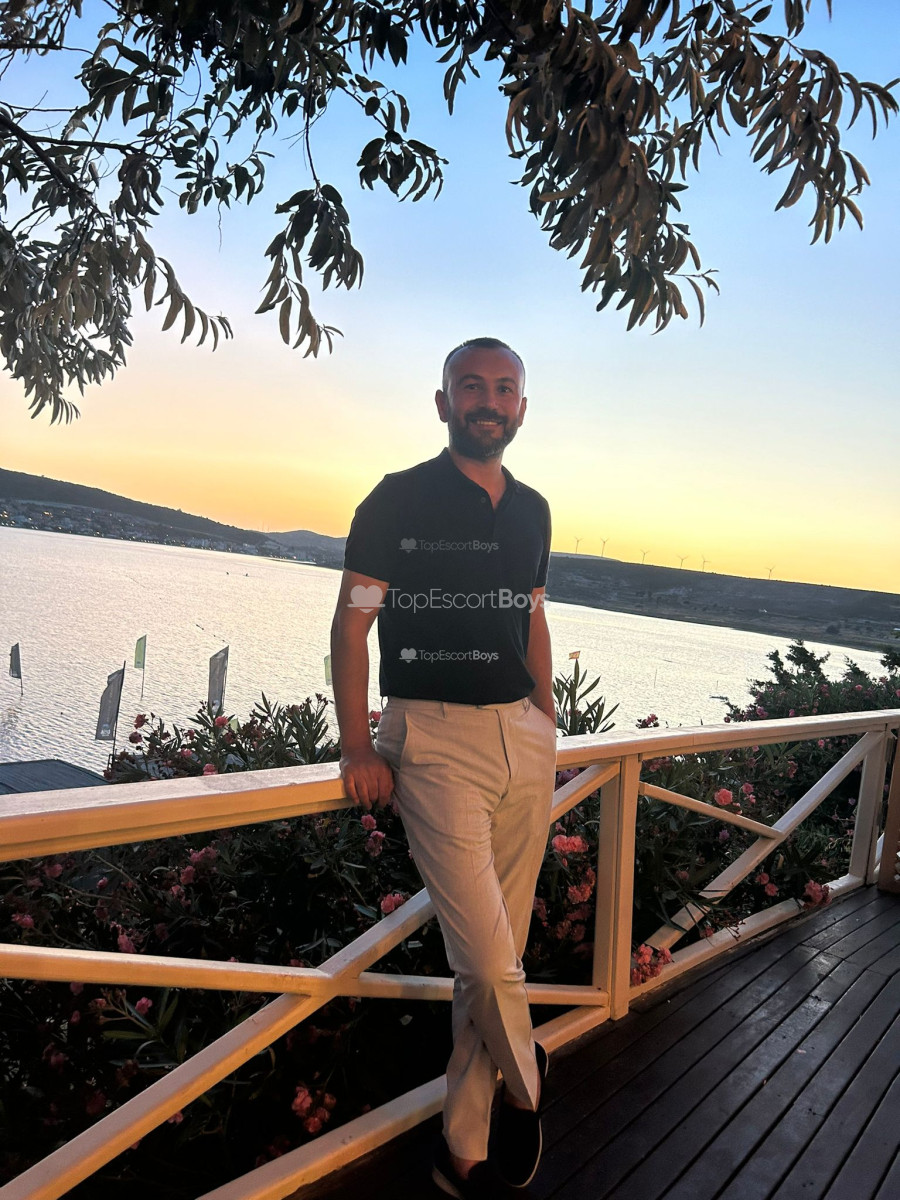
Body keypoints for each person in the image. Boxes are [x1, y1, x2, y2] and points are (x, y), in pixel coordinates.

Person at [330, 337, 557, 1197]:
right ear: (443, 403)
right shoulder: (396, 499)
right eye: (471, 386)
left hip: (521, 738)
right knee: (493, 965)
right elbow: (353, 622)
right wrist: (357, 744)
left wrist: (545, 711)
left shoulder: (533, 510)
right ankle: (528, 1086)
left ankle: (461, 1153)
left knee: (493, 958)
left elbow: (532, 614)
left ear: (521, 409)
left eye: (503, 388)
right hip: (431, 740)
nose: (487, 401)